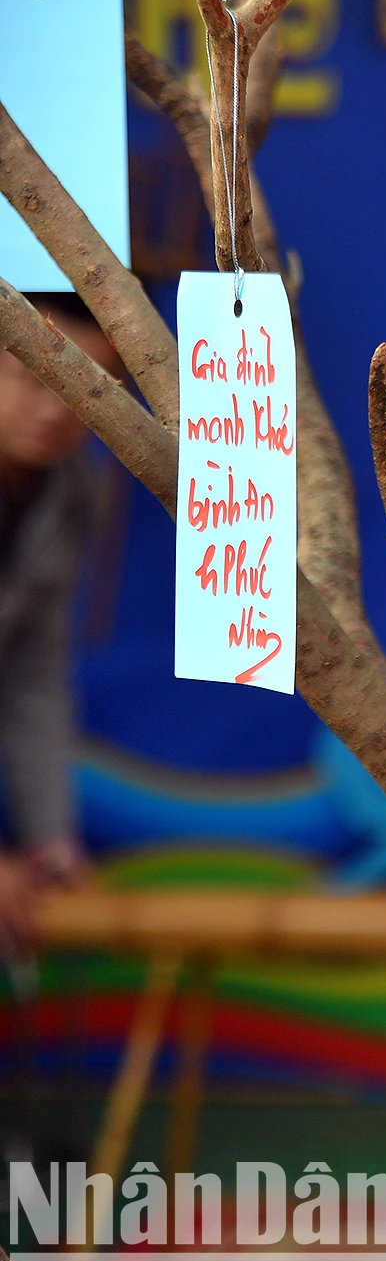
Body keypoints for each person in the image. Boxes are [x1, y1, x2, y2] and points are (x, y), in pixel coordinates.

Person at [0, 290, 109, 945]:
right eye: (30, 380)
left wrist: (50, 840)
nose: (56, 412)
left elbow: (32, 677)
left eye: (83, 389)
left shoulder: (71, 491)